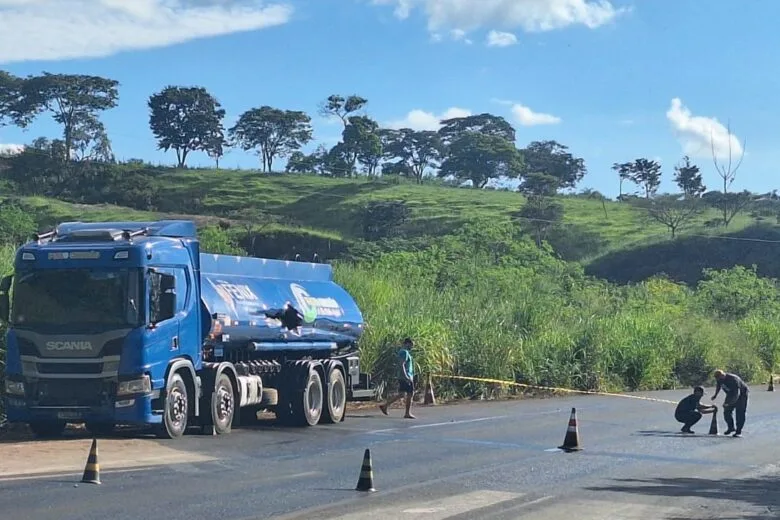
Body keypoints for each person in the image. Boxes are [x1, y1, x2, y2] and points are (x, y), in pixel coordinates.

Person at [379, 337, 416, 419]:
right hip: (406, 376)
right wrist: (406, 376)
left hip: (403, 376)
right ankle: (407, 413)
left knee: (401, 394)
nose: (412, 347)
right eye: (411, 345)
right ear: (407, 344)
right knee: (410, 394)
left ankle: (385, 406)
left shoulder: (403, 352)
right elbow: (401, 364)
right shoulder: (404, 352)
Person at [712, 369, 749, 437]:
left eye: (719, 378)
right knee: (726, 411)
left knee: (740, 413)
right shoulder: (719, 379)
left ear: (722, 375)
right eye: (717, 378)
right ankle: (731, 427)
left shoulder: (733, 379)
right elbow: (718, 386)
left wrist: (729, 403)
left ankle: (738, 431)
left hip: (742, 395)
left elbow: (737, 394)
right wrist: (715, 395)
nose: (718, 380)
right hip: (730, 394)